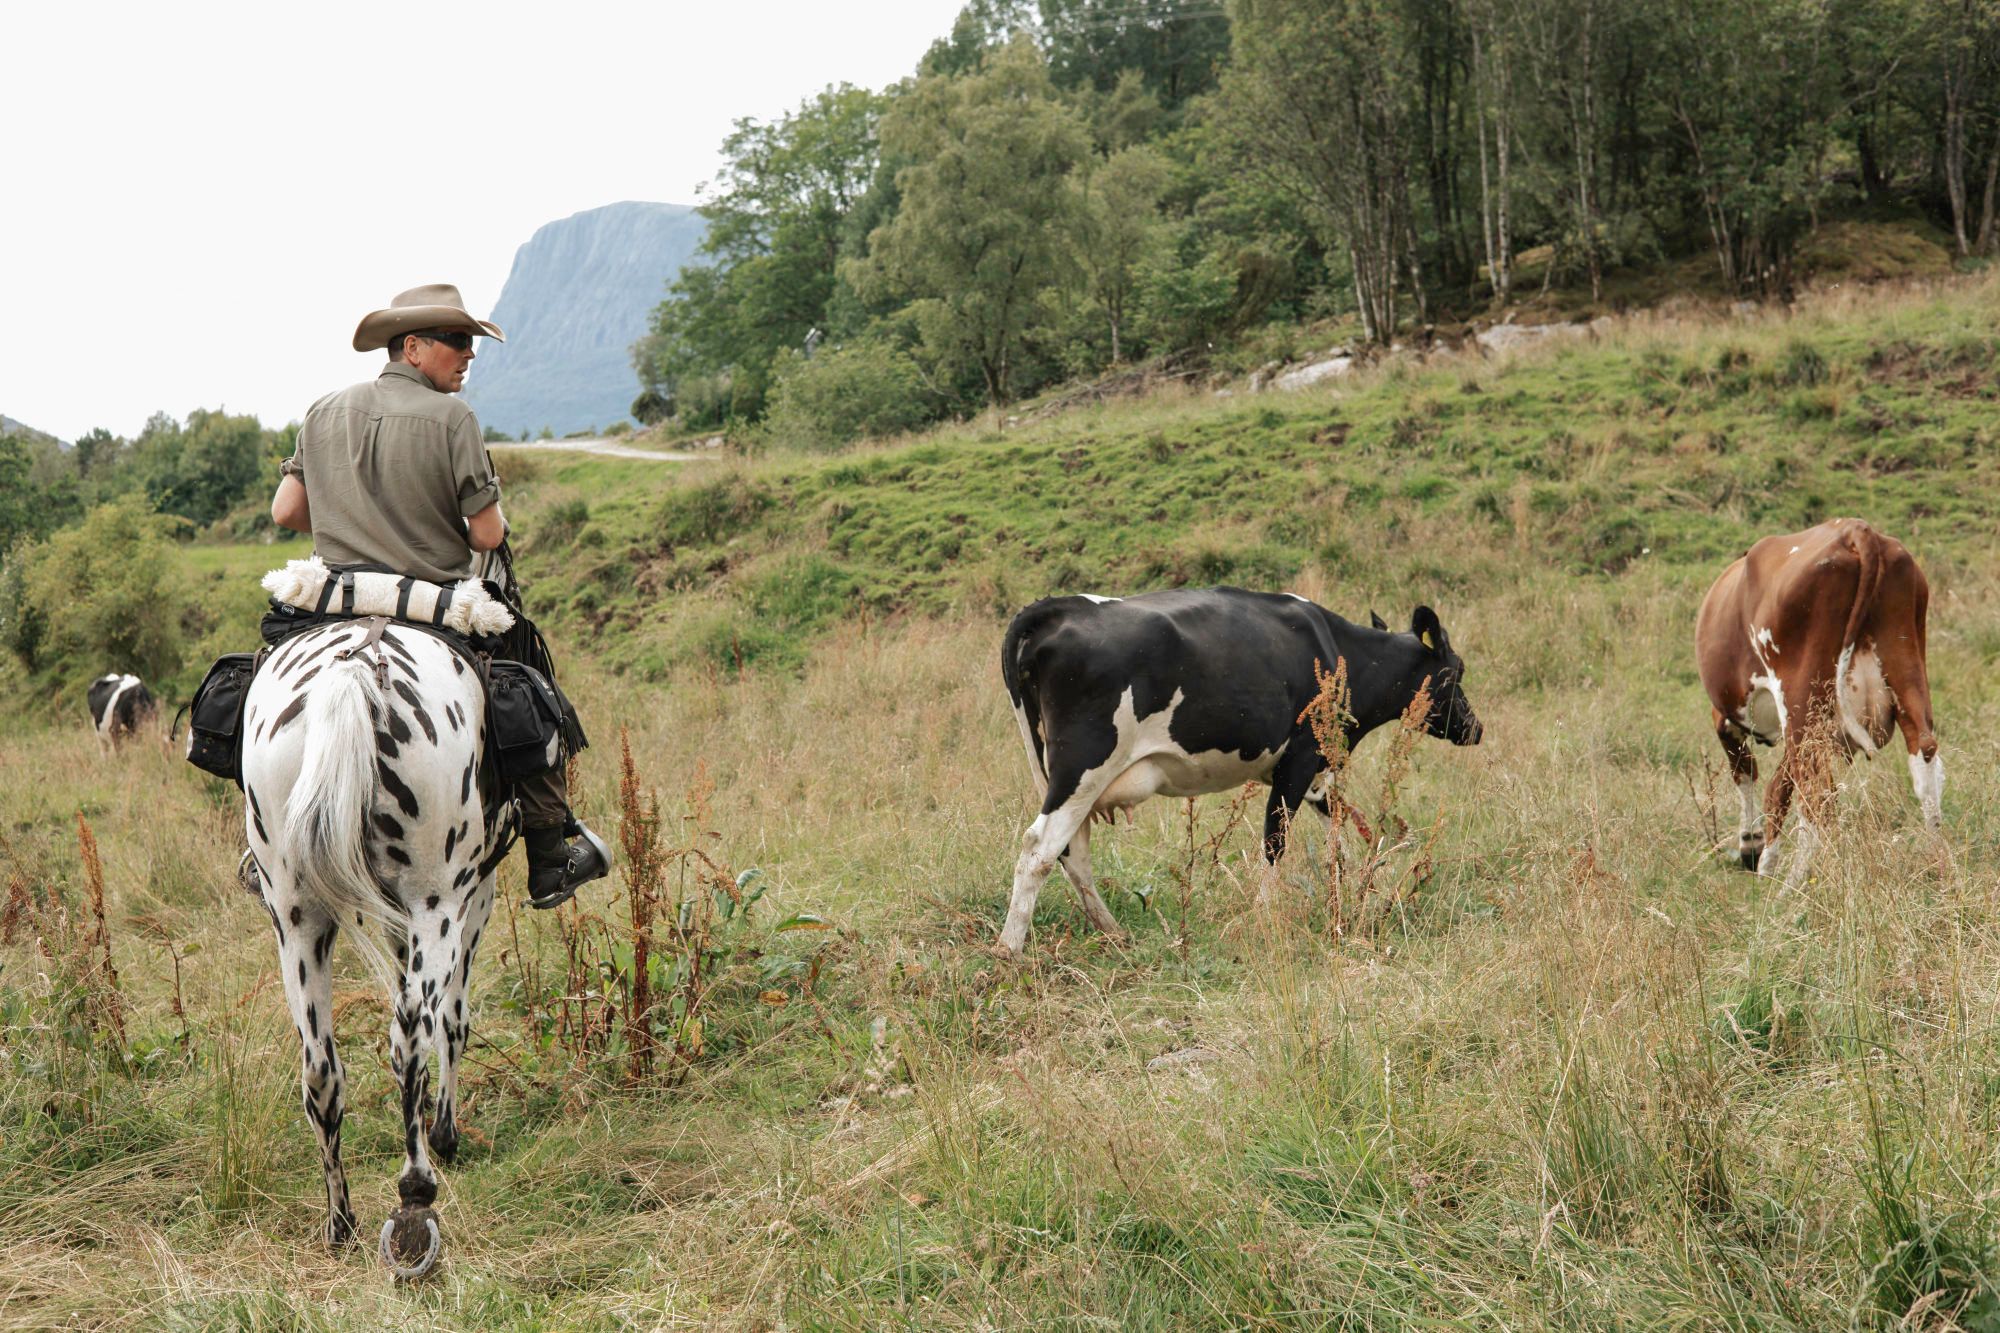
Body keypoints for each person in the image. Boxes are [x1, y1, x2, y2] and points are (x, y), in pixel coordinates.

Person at [269, 283, 609, 908]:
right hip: (431, 603)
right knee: (527, 687)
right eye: (457, 341)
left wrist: (355, 518)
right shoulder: (455, 418)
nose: (469, 353)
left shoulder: (323, 409)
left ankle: (261, 847)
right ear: (414, 347)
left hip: (335, 597)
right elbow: (488, 533)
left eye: (470, 342)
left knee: (266, 682)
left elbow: (287, 510)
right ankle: (550, 849)